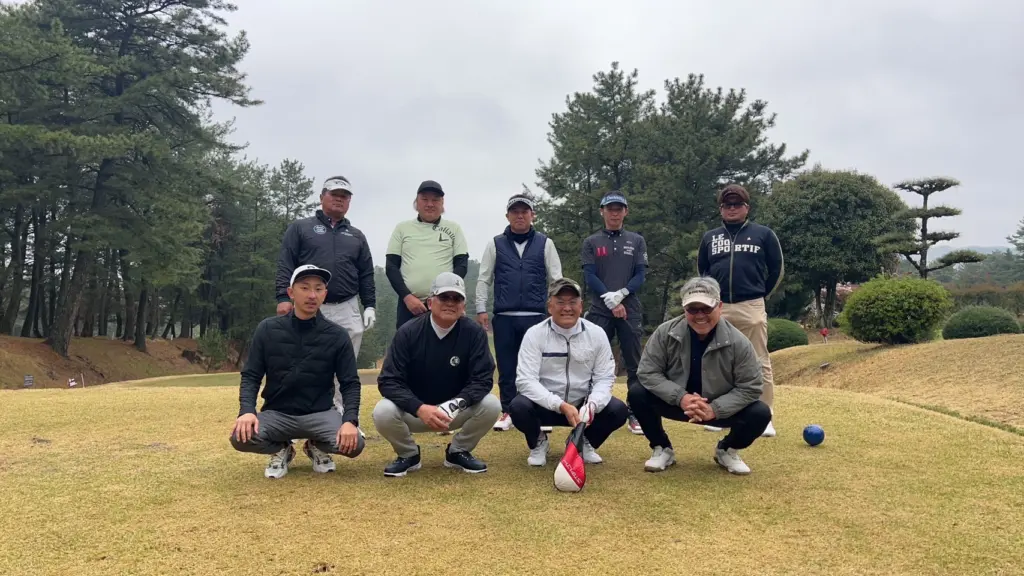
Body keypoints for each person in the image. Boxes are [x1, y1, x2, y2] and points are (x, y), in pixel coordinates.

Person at [230, 264, 365, 479]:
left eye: (318, 289)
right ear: (291, 292)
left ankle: (314, 445)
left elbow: (350, 383)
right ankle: (282, 448)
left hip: (320, 413)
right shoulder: (268, 329)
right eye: (304, 288)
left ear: (325, 294)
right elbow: (251, 376)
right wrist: (247, 410)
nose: (312, 295)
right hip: (277, 414)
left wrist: (350, 420)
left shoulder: (337, 335)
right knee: (240, 437)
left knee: (355, 444)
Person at [628, 276, 771, 475]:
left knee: (760, 413)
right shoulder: (664, 333)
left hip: (718, 408)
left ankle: (727, 450)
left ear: (719, 306)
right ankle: (662, 447)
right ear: (684, 309)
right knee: (637, 393)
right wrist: (681, 398)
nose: (700, 315)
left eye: (706, 309)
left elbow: (751, 386)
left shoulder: (739, 342)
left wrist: (714, 409)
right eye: (692, 309)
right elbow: (648, 372)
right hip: (677, 402)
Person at [373, 272, 502, 477]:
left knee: (492, 404)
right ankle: (408, 454)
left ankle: (458, 451)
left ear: (463, 305)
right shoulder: (408, 332)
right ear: (430, 302)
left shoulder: (474, 333)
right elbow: (389, 381)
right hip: (415, 412)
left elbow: (483, 378)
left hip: (454, 411)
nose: (450, 303)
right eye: (444, 297)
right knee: (383, 411)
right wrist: (419, 407)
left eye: (456, 298)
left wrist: (455, 404)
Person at [509, 277, 629, 466]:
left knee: (618, 410)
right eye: (560, 302)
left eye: (573, 302)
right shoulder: (535, 334)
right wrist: (560, 405)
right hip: (546, 405)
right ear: (550, 306)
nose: (567, 308)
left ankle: (582, 441)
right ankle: (538, 442)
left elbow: (604, 378)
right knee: (518, 407)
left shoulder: (597, 334)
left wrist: (593, 404)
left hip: (582, 407)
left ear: (581, 306)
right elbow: (526, 381)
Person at [697, 183, 784, 437]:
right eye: (727, 205)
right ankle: (719, 413)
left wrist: (760, 294)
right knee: (717, 362)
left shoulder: (763, 234)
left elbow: (776, 269)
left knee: (759, 360)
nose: (732, 209)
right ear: (721, 209)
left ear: (747, 207)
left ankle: (765, 416)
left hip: (751, 305)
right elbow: (703, 271)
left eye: (737, 205)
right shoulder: (710, 238)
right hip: (718, 307)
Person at [475, 192, 563, 432]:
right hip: (504, 317)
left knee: (539, 367)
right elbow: (484, 279)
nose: (520, 216)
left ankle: (541, 411)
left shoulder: (545, 243)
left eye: (525, 211)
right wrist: (481, 308)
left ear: (532, 215)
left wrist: (557, 308)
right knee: (507, 367)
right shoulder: (495, 244)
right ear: (508, 216)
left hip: (536, 317)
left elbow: (556, 279)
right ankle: (508, 411)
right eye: (515, 212)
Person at [275, 175, 376, 356]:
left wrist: (369, 305)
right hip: (309, 303)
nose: (339, 199)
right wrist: (283, 297)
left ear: (349, 201)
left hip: (347, 306)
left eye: (344, 196)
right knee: (307, 356)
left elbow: (366, 274)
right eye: (334, 194)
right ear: (322, 197)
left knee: (346, 360)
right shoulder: (300, 228)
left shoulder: (357, 236)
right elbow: (286, 263)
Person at [580, 191, 649, 435]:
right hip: (600, 309)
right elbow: (590, 275)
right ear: (602, 211)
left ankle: (635, 411)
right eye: (610, 209)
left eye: (619, 209)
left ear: (625, 212)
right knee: (592, 361)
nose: (615, 213)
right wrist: (609, 298)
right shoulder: (592, 241)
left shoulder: (636, 240)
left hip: (629, 309)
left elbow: (640, 274)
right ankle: (591, 408)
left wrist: (621, 294)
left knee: (634, 363)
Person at [385, 180, 470, 329]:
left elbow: (461, 265)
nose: (430, 204)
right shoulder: (402, 228)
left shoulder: (454, 228)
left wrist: (443, 296)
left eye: (435, 200)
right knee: (407, 342)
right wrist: (407, 297)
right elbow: (391, 266)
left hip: (444, 303)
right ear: (416, 203)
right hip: (410, 305)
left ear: (442, 203)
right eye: (425, 199)